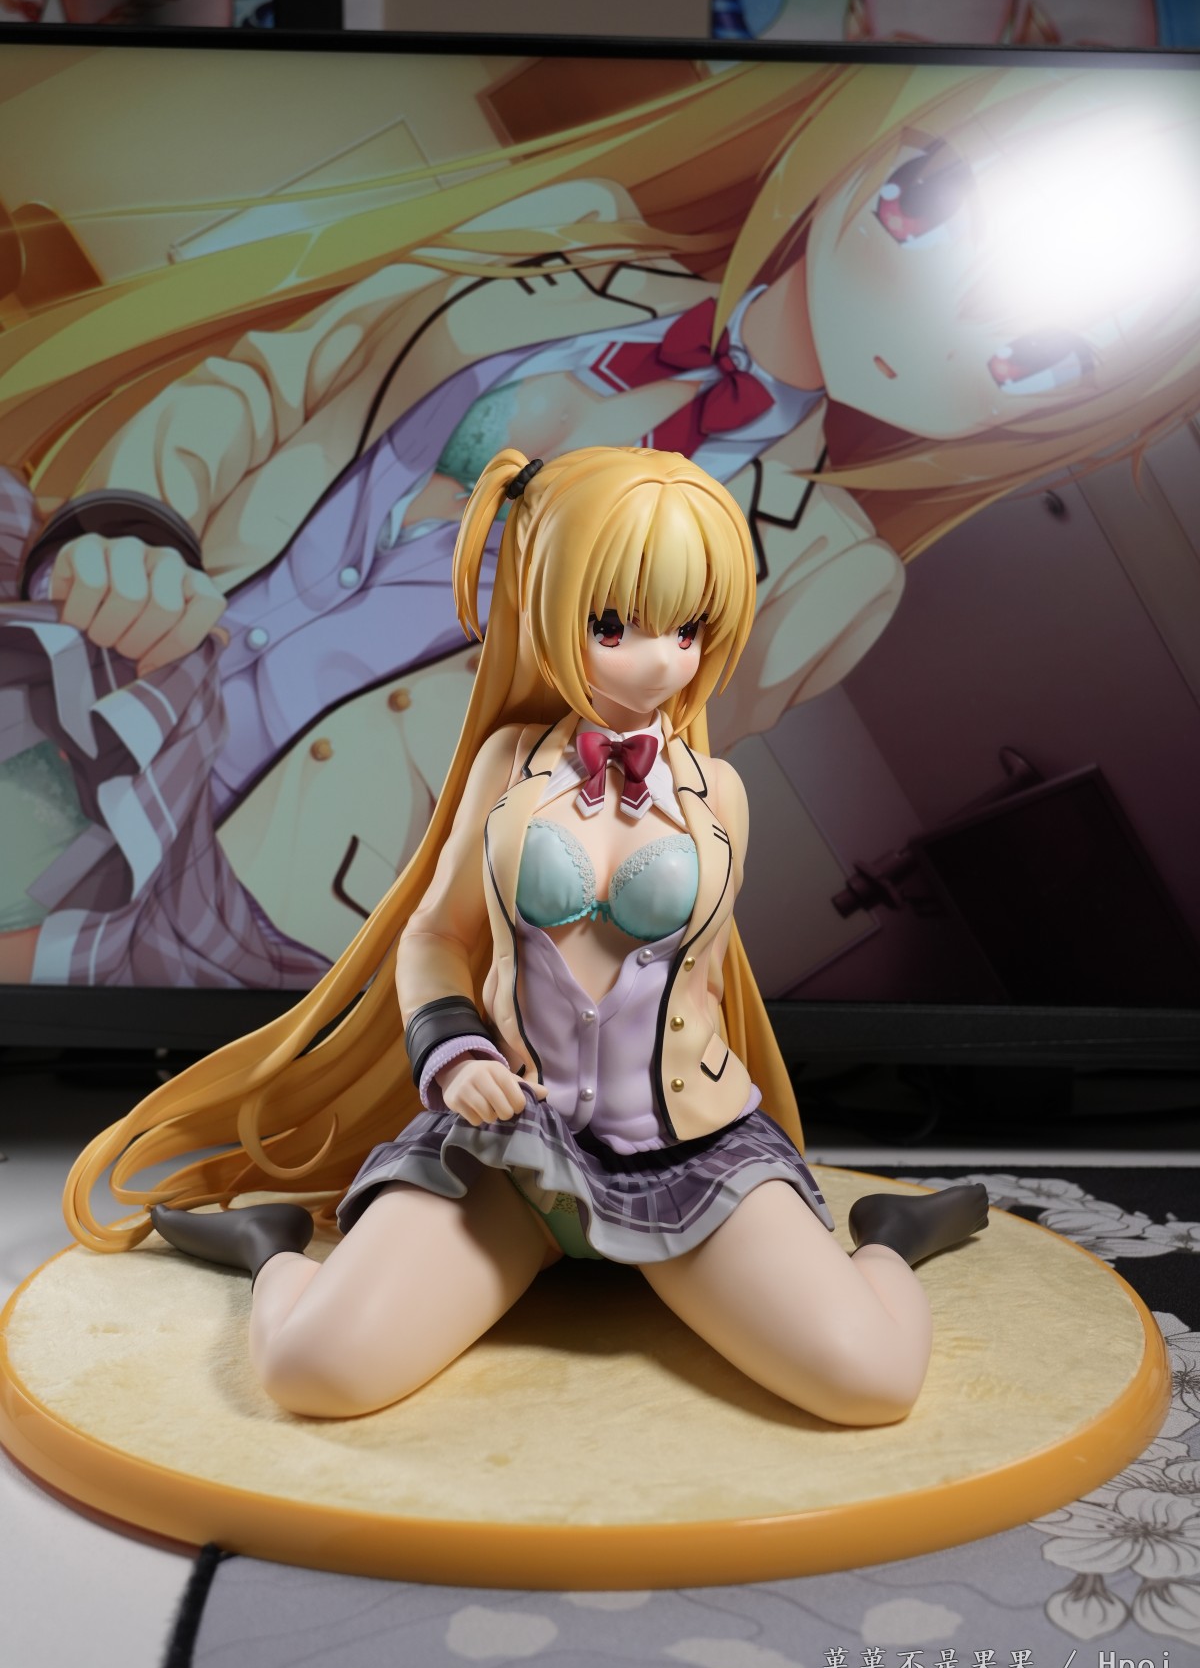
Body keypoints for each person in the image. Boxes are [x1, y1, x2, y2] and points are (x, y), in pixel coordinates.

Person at [4, 58, 1199, 981]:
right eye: (927, 203)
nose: (945, 327)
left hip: (282, 871)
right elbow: (281, 374)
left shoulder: (831, 571)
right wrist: (131, 521)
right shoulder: (579, 229)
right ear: (865, 138)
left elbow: (613, 782)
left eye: (1041, 356)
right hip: (107, 648)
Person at [63, 445, 987, 1425]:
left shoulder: (719, 794)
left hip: (690, 1157)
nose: (656, 660)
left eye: (687, 628)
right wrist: (455, 1052)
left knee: (873, 1382)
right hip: (508, 1152)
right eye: (612, 625)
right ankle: (273, 1249)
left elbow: (707, 982)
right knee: (309, 1370)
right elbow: (432, 936)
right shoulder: (508, 764)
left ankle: (888, 1237)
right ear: (547, 607)